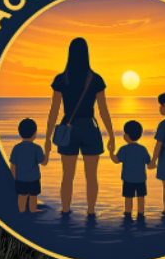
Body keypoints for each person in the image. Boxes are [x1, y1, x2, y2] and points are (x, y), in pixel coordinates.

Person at [43, 36, 114, 217]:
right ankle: (91, 213)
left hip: (68, 128)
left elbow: (54, 111)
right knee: (91, 176)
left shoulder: (62, 79)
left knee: (67, 176)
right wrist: (111, 135)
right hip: (89, 128)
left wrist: (48, 138)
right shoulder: (95, 79)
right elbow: (103, 110)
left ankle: (66, 212)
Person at [113, 120, 150, 220]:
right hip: (141, 179)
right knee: (141, 197)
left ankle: (128, 214)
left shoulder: (124, 149)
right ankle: (141, 214)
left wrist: (111, 152)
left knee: (128, 197)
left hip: (128, 179)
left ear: (127, 135)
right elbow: (148, 162)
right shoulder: (142, 149)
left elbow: (116, 160)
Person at [8, 117, 44, 213]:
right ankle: (33, 209)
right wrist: (47, 153)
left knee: (21, 196)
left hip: (20, 179)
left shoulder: (16, 148)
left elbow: (13, 165)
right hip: (34, 179)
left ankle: (21, 210)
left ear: (20, 133)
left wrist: (14, 178)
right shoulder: (37, 148)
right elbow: (43, 162)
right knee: (33, 196)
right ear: (35, 133)